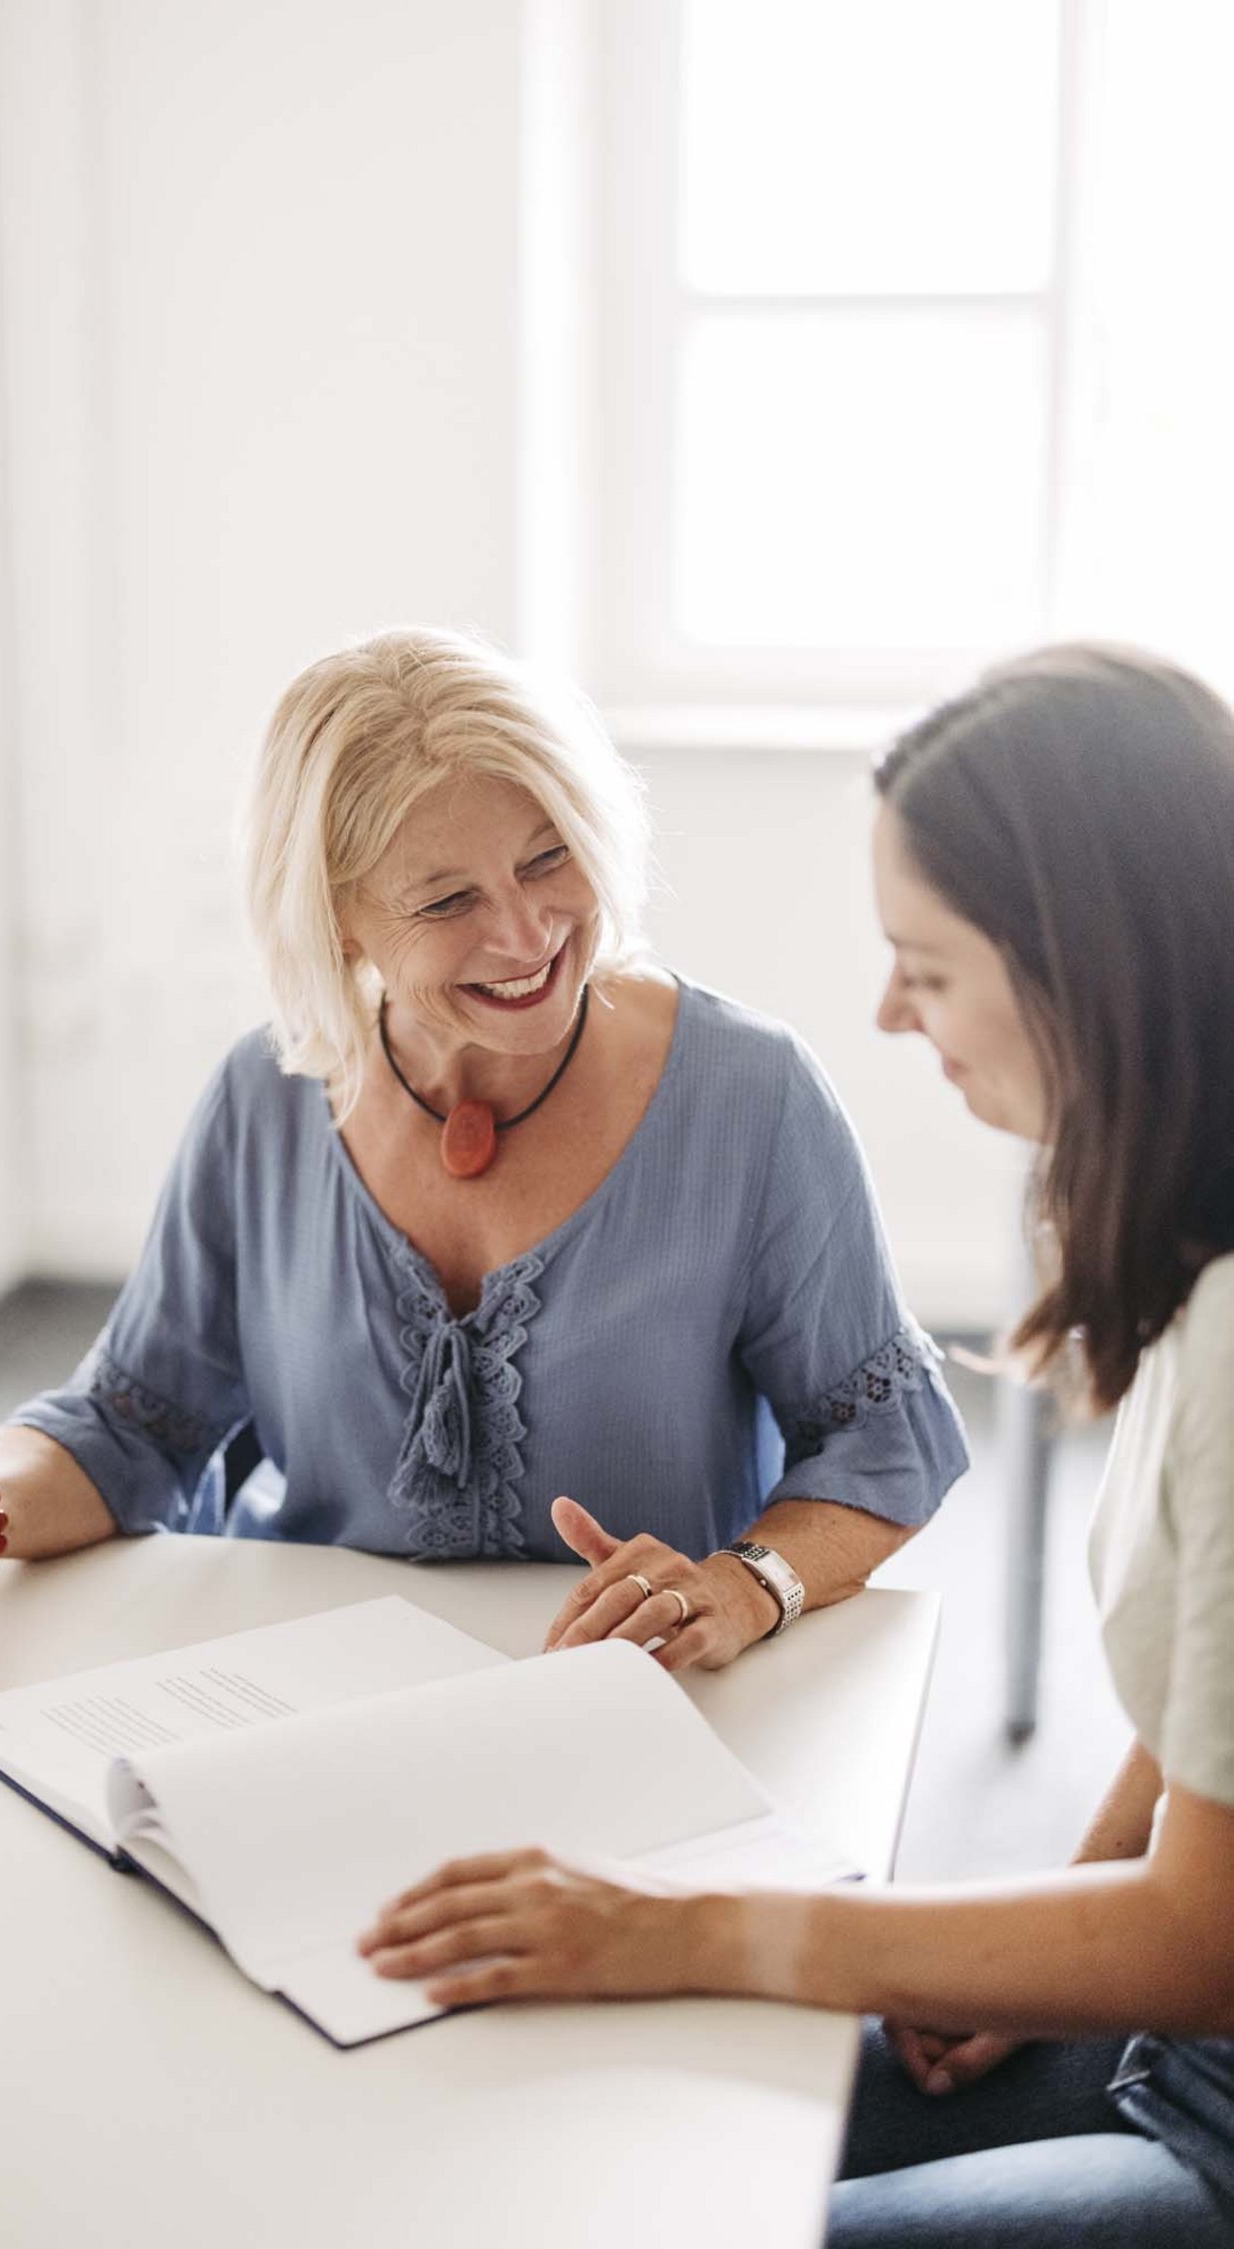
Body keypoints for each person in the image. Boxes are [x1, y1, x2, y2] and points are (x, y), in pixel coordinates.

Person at [358, 644, 1234, 2246]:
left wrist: (702, 1926)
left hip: (1218, 2103)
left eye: (929, 962)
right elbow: (1212, 1743)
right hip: (1182, 2026)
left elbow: (1207, 1938)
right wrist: (1004, 1962)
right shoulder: (1193, 1259)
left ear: (1086, 969)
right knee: (621, 2133)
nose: (894, 1010)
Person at [0, 626, 965, 1721]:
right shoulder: (265, 1100)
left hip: (645, 1703)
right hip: (305, 1698)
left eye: (548, 856)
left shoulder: (750, 1097)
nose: (526, 934)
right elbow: (130, 1422)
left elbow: (883, 1442)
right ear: (339, 920)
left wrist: (751, 1580)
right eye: (448, 899)